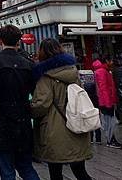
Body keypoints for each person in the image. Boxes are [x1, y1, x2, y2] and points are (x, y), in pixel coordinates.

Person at [0, 25, 39, 180]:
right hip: (23, 118)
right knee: (26, 167)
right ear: (18, 41)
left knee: (6, 169)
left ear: (0, 40)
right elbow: (35, 92)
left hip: (1, 120)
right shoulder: (28, 64)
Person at [31, 39, 93, 180]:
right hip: (76, 124)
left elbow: (41, 104)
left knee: (55, 171)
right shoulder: (73, 72)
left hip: (55, 129)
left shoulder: (45, 77)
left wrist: (30, 110)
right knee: (80, 170)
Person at [92, 56, 122, 148]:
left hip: (106, 99)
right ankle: (110, 140)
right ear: (106, 60)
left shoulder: (103, 70)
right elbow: (103, 88)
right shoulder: (102, 71)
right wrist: (108, 102)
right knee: (109, 120)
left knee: (109, 120)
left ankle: (111, 139)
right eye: (111, 60)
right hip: (106, 100)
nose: (112, 62)